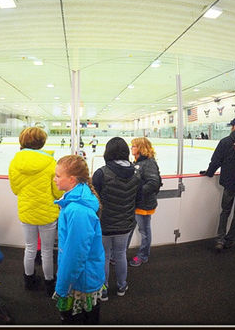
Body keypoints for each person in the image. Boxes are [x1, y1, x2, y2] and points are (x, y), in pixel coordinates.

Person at [8, 127, 64, 296]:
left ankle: (29, 280)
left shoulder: (15, 162)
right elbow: (58, 191)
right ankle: (49, 283)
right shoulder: (51, 163)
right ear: (42, 142)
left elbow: (15, 189)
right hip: (47, 212)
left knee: (30, 248)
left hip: (26, 211)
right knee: (47, 251)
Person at [52, 155, 106, 325]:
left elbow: (75, 255)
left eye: (58, 176)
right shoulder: (74, 200)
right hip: (82, 276)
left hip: (81, 281)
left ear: (72, 179)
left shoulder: (77, 211)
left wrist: (62, 287)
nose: (54, 179)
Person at [91, 137, 140, 299]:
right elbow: (137, 199)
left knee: (104, 256)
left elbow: (94, 199)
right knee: (120, 255)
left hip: (104, 224)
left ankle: (103, 290)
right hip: (125, 224)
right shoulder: (136, 174)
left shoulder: (100, 173)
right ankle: (121, 286)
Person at [199, 117, 235, 251]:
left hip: (230, 184)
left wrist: (209, 173)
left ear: (234, 127)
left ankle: (220, 240)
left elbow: (216, 161)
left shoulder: (225, 142)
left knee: (225, 211)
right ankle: (231, 240)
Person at [128, 137, 162, 267]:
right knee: (129, 228)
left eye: (134, 146)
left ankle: (143, 256)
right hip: (135, 203)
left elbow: (153, 183)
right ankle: (119, 254)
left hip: (144, 204)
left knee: (144, 231)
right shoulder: (137, 162)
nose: (132, 148)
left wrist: (137, 193)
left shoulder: (149, 163)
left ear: (141, 148)